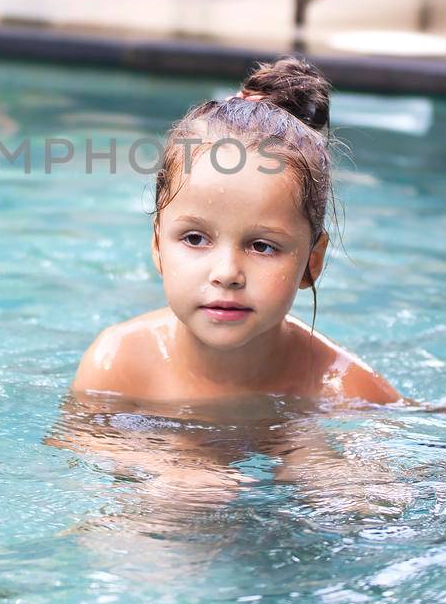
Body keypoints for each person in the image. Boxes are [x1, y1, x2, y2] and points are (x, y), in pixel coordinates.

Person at [67, 56, 399, 408]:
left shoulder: (342, 389)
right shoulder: (118, 365)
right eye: (195, 239)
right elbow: (82, 452)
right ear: (157, 246)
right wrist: (179, 463)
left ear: (311, 262)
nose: (226, 273)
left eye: (262, 246)